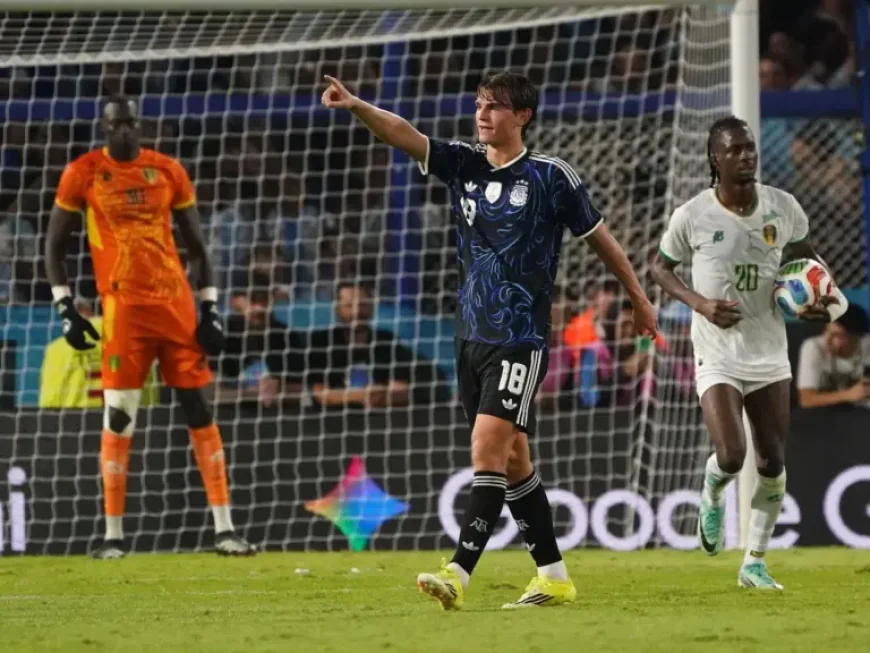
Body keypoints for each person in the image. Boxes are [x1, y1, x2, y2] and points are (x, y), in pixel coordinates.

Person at [322, 70, 657, 609]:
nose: (482, 114)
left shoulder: (552, 177)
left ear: (522, 116)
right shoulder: (464, 164)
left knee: (486, 447)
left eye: (495, 106)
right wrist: (357, 104)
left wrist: (639, 298)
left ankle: (457, 572)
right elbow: (404, 134)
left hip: (521, 338)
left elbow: (602, 239)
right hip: (470, 337)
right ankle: (553, 577)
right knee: (515, 459)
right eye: (479, 104)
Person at [44, 95, 257, 559]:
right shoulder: (82, 173)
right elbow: (54, 247)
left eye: (129, 122)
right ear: (103, 129)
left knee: (199, 410)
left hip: (176, 308)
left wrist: (211, 310)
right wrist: (66, 309)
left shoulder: (167, 170)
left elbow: (199, 249)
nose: (122, 130)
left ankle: (225, 529)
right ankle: (113, 536)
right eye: (114, 124)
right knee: (119, 416)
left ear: (139, 125)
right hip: (122, 312)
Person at [651, 116, 847, 590]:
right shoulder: (692, 215)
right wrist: (701, 304)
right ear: (714, 159)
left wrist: (829, 305)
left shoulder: (783, 207)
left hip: (769, 349)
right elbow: (659, 269)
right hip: (716, 349)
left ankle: (755, 562)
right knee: (732, 454)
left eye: (750, 148)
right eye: (735, 150)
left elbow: (811, 263)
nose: (746, 156)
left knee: (773, 461)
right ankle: (713, 492)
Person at [287, 280, 449, 409]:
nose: (357, 312)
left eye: (363, 305)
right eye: (349, 306)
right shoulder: (321, 343)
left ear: (372, 308)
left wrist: (394, 395)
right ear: (338, 310)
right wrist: (363, 395)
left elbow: (435, 381)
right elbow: (314, 392)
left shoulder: (386, 343)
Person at [39, 297, 159, 409]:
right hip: (126, 422)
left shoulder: (56, 349)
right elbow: (151, 397)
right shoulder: (135, 345)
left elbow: (49, 402)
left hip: (76, 424)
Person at [797, 303, 870, 409]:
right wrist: (849, 395)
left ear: (856, 338)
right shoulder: (813, 347)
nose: (827, 340)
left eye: (837, 335)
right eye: (827, 331)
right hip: (821, 415)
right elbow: (806, 399)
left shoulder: (866, 345)